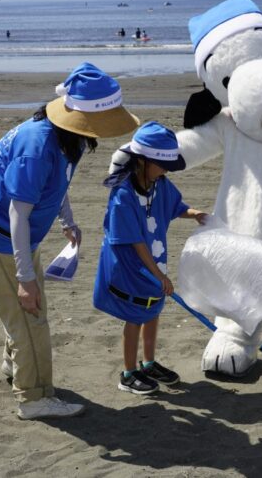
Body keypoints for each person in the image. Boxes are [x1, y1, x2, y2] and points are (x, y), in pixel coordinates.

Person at [0, 62, 140, 420]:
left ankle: (14, 365)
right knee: (30, 314)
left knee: (24, 308)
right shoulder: (37, 145)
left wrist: (66, 221)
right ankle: (33, 397)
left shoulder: (63, 137)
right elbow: (17, 215)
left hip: (14, 228)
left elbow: (55, 184)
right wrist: (25, 278)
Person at [93, 121, 208, 395]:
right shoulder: (123, 194)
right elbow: (135, 242)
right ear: (142, 161)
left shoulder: (160, 184)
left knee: (153, 311)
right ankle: (129, 373)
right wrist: (160, 276)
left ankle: (149, 362)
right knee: (135, 316)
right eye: (162, 165)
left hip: (156, 265)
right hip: (132, 268)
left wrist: (193, 214)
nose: (166, 171)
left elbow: (176, 206)